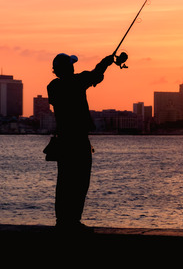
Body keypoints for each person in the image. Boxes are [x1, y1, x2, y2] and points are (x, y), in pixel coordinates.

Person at [47, 53, 114, 232]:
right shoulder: (77, 82)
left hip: (64, 142)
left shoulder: (53, 87)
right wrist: (106, 63)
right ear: (69, 67)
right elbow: (96, 75)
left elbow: (90, 77)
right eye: (71, 65)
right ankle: (73, 222)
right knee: (80, 183)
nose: (74, 67)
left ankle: (62, 222)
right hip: (78, 142)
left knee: (64, 183)